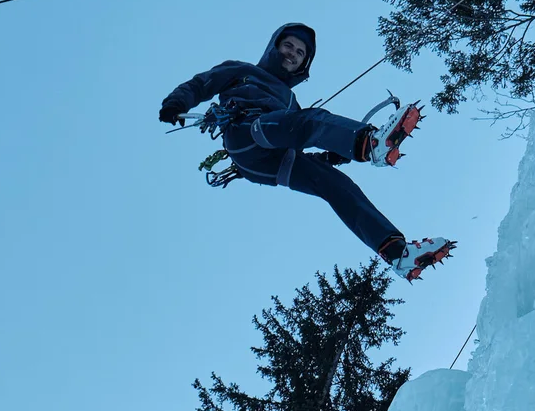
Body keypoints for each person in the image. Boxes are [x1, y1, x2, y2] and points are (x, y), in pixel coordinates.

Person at [158, 22, 455, 280]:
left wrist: (329, 157)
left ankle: (397, 254)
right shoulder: (241, 70)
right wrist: (176, 103)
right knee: (311, 120)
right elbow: (201, 84)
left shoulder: (290, 101)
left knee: (336, 184)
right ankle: (370, 144)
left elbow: (298, 138)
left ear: (303, 65)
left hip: (272, 162)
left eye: (300, 53)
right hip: (247, 132)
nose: (292, 54)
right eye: (288, 46)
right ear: (274, 47)